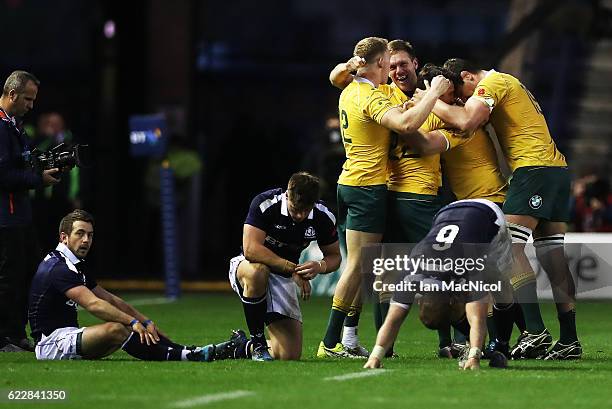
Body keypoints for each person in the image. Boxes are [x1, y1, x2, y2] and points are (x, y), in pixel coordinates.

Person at [432, 59, 580, 360]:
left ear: (468, 76)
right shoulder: (510, 84)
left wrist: (429, 99)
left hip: (533, 170)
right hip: (555, 170)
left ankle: (536, 332)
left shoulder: (493, 83)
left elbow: (467, 121)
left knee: (507, 250)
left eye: (463, 92)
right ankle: (569, 339)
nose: (464, 100)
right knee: (552, 256)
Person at [317, 36, 451, 359]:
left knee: (366, 268)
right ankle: (331, 340)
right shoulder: (370, 96)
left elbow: (335, 77)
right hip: (367, 188)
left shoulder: (349, 89)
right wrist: (433, 93)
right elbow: (405, 124)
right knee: (358, 266)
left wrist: (348, 67)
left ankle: (347, 337)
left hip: (347, 182)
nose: (392, 70)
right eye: (388, 64)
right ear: (379, 64)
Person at [28, 209, 242, 361]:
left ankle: (192, 351)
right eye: (80, 234)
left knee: (144, 332)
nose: (86, 240)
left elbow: (109, 299)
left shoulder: (74, 264)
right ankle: (188, 356)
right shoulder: (59, 268)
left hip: (68, 337)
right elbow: (94, 305)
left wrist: (145, 321)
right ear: (64, 237)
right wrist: (131, 322)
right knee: (116, 329)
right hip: (50, 344)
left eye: (90, 235)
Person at [364, 199, 515, 370]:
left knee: (500, 285)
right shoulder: (412, 274)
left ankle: (502, 345)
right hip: (446, 211)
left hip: (489, 214)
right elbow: (393, 321)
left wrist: (474, 356)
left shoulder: (467, 266)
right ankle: (476, 344)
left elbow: (477, 318)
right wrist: (375, 356)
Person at [229, 172, 341, 361]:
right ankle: (258, 344)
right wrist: (292, 269)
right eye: (296, 209)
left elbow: (335, 256)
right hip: (247, 267)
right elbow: (251, 249)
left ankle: (241, 346)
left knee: (289, 355)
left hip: (284, 276)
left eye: (305, 210)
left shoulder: (323, 216)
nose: (300, 215)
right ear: (287, 195)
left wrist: (319, 266)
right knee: (258, 272)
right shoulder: (265, 204)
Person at [0, 70, 60, 352]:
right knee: (8, 279)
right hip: (5, 217)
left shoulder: (14, 125)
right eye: (28, 99)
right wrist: (39, 179)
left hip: (19, 215)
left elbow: (24, 162)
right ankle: (4, 337)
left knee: (28, 275)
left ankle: (16, 332)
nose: (31, 105)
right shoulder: (1, 127)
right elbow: (3, 175)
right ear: (12, 95)